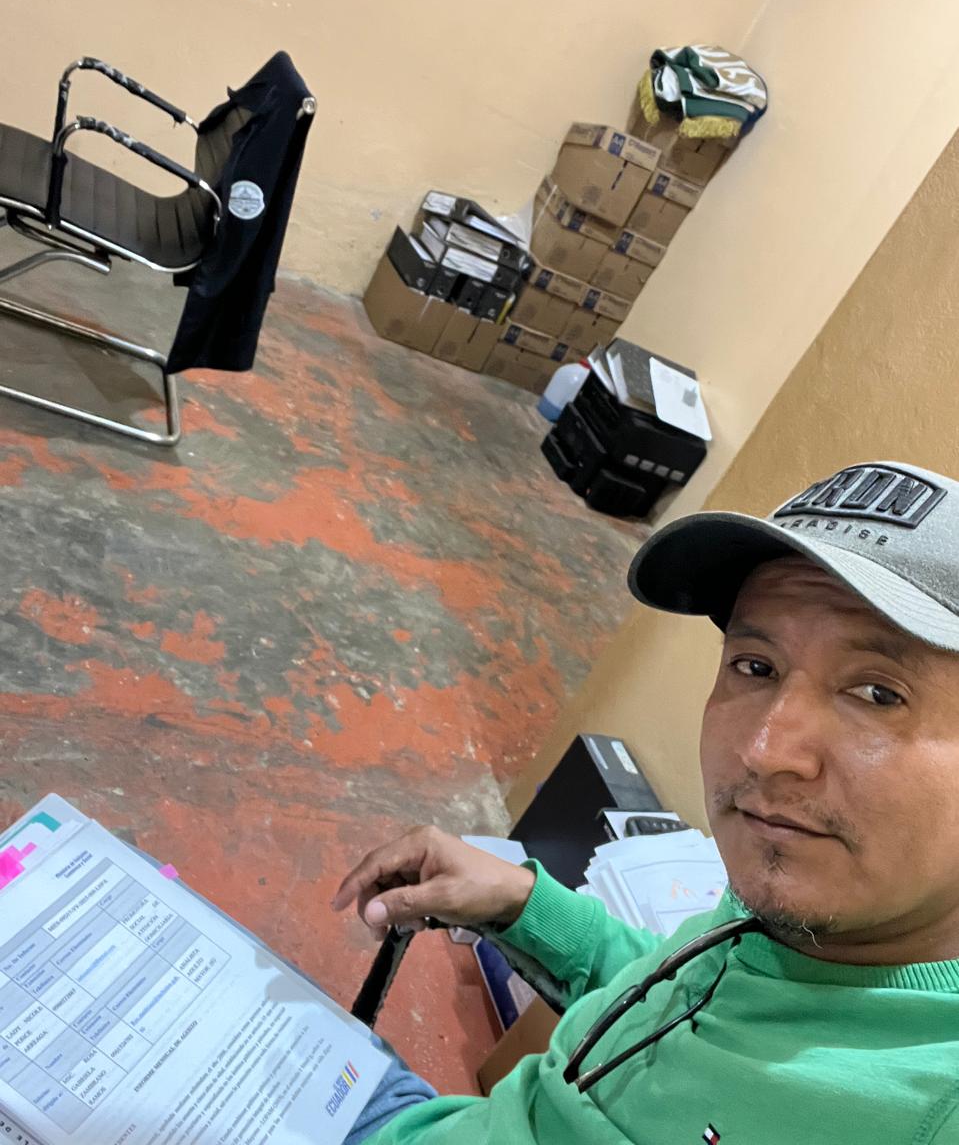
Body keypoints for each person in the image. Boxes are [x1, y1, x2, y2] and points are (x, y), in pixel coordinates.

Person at [334, 460, 959, 1144]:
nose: (763, 750)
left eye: (877, 693)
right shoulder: (816, 907)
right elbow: (691, 992)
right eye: (755, 666)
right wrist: (522, 904)